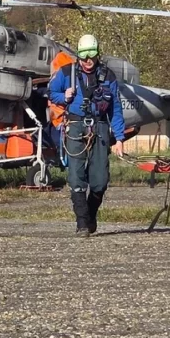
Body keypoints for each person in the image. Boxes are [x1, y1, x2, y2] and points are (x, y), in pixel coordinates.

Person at [49, 34, 126, 237]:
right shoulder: (66, 73)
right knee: (76, 176)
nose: (88, 60)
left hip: (100, 128)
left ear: (98, 54)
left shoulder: (108, 76)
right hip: (74, 126)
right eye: (84, 56)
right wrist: (62, 96)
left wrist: (119, 138)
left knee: (100, 180)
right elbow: (51, 92)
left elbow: (115, 108)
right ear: (78, 56)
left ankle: (90, 215)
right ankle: (82, 223)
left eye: (91, 55)